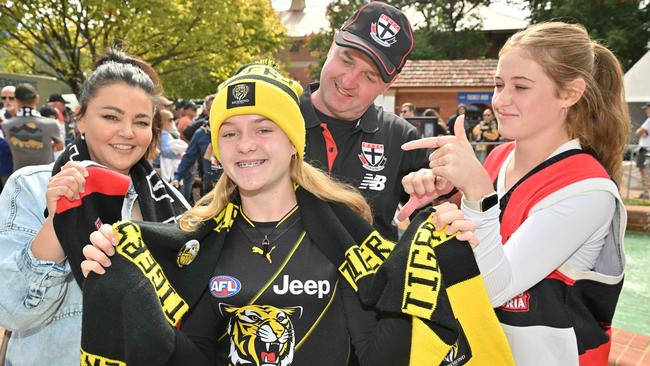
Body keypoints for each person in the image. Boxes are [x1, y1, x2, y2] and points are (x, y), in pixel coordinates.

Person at [77, 63, 513, 366]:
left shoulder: (344, 232)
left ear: (292, 143)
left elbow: (381, 357)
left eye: (263, 129)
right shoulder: (197, 237)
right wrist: (128, 286)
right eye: (230, 132)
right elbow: (192, 351)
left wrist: (416, 256)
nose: (245, 144)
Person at [401, 22, 629, 365]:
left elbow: (494, 289)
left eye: (520, 87)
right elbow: (456, 259)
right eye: (498, 84)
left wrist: (477, 193)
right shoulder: (498, 158)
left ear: (569, 94)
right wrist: (426, 205)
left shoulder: (589, 191)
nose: (500, 100)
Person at [0, 48, 189, 366]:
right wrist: (58, 220)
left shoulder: (173, 206)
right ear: (81, 118)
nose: (127, 132)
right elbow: (11, 311)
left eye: (140, 122)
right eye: (111, 117)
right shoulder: (31, 188)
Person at [300, 1, 429, 242]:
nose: (348, 81)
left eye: (369, 76)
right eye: (347, 60)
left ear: (387, 85)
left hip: (369, 280)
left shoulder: (402, 139)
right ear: (332, 44)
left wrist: (452, 191)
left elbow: (441, 215)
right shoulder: (276, 121)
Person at [3, 83, 63, 171]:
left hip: (19, 176)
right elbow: (60, 146)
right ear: (37, 98)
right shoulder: (51, 124)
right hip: (45, 174)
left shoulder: (6, 125)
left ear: (16, 100)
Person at [635, 102, 650, 199]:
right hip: (646, 148)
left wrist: (641, 132)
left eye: (647, 108)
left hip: (646, 149)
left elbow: (638, 132)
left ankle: (647, 193)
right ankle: (646, 192)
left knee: (645, 171)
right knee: (645, 171)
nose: (645, 111)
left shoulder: (649, 120)